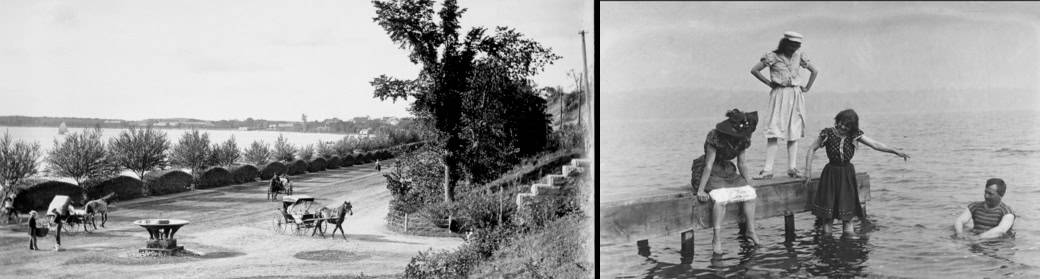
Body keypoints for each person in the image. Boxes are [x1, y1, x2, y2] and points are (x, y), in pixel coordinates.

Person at [804, 109, 909, 235]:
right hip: (830, 174)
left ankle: (849, 249)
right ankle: (828, 248)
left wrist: (895, 151)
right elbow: (811, 149)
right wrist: (807, 171)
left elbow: (875, 144)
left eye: (847, 125)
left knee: (847, 218)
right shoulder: (827, 133)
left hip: (847, 175)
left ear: (852, 127)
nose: (842, 127)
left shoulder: (854, 135)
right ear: (837, 121)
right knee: (828, 218)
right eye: (841, 123)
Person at [690, 109, 761, 254]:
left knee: (750, 194)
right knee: (720, 197)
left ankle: (750, 230)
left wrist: (749, 182)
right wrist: (700, 190)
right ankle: (716, 238)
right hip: (708, 170)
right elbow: (708, 165)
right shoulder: (714, 137)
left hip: (726, 170)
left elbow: (742, 163)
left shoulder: (743, 139)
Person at [750, 31, 819, 179]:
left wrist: (806, 88)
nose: (794, 49)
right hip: (779, 94)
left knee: (794, 131)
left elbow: (814, 71)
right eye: (792, 45)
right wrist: (769, 83)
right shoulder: (772, 56)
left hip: (795, 94)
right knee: (774, 130)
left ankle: (792, 168)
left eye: (797, 46)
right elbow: (754, 70)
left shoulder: (799, 55)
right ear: (785, 43)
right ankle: (768, 170)